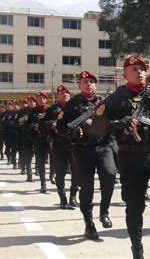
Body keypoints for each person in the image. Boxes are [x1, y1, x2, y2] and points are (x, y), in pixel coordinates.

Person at [101, 56, 150, 258]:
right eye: (134, 68)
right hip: (129, 156)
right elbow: (97, 125)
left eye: (142, 69)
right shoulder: (117, 97)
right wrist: (119, 123)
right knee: (135, 205)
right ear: (125, 74)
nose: (139, 72)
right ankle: (137, 250)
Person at [57, 71, 116, 240]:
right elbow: (60, 127)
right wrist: (71, 132)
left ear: (95, 85)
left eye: (91, 81)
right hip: (82, 149)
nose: (88, 84)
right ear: (80, 85)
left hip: (103, 146)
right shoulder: (73, 103)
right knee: (87, 187)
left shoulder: (103, 102)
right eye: (85, 81)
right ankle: (89, 223)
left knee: (110, 175)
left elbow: (113, 122)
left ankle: (104, 211)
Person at [46, 85, 78, 210]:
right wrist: (51, 124)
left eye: (66, 93)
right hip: (59, 143)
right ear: (57, 95)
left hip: (74, 144)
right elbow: (42, 123)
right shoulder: (53, 109)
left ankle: (73, 196)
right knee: (60, 173)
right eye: (61, 93)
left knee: (76, 172)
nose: (64, 95)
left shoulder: (75, 108)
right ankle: (63, 199)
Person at [27, 91, 51, 193]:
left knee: (54, 161)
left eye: (43, 98)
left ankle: (52, 175)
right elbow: (26, 125)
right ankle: (43, 183)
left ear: (46, 99)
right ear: (37, 100)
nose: (41, 100)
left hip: (50, 139)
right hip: (38, 139)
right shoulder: (32, 112)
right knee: (40, 162)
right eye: (39, 98)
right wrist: (33, 126)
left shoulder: (51, 110)